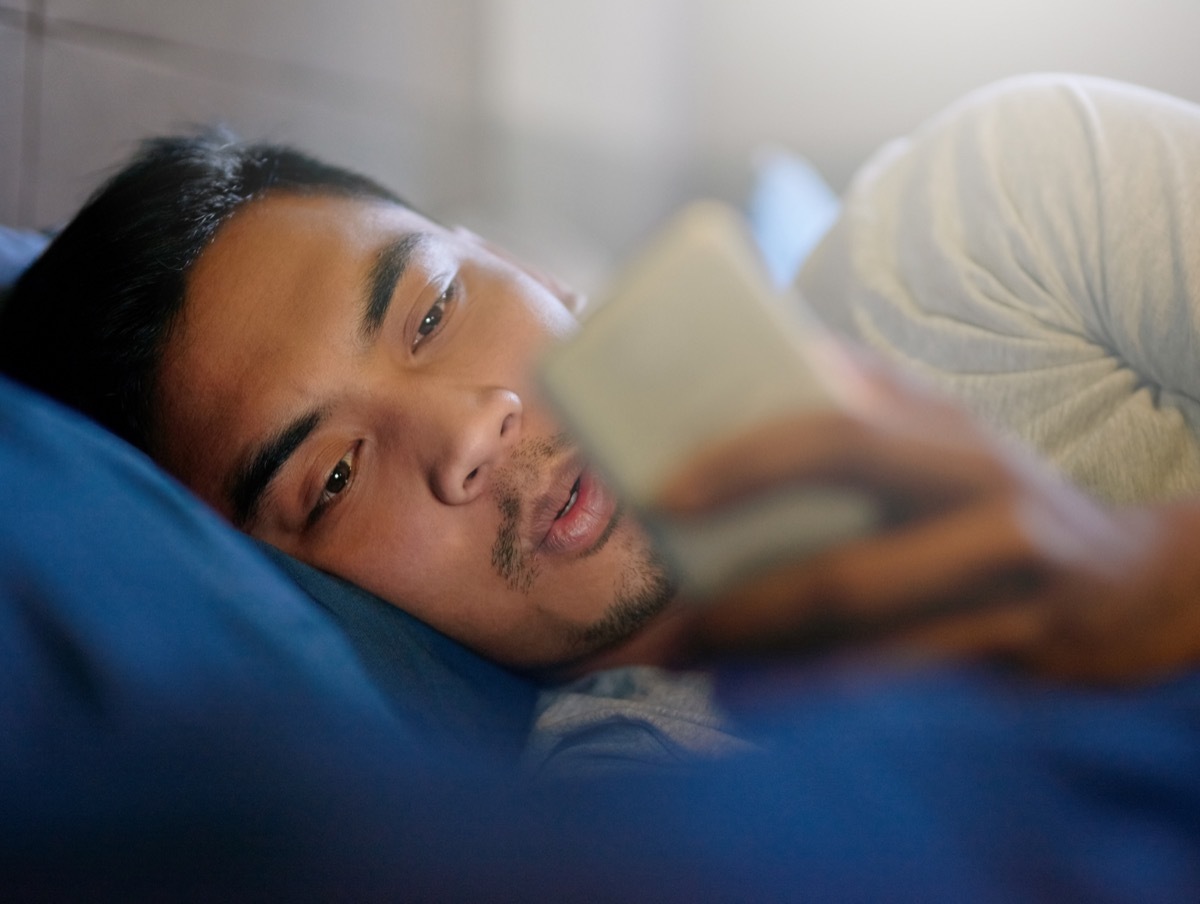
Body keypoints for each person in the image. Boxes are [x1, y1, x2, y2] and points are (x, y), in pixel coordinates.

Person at [2, 73, 1200, 686]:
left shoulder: (995, 212)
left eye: (431, 309)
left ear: (524, 267)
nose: (472, 430)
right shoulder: (640, 809)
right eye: (334, 477)